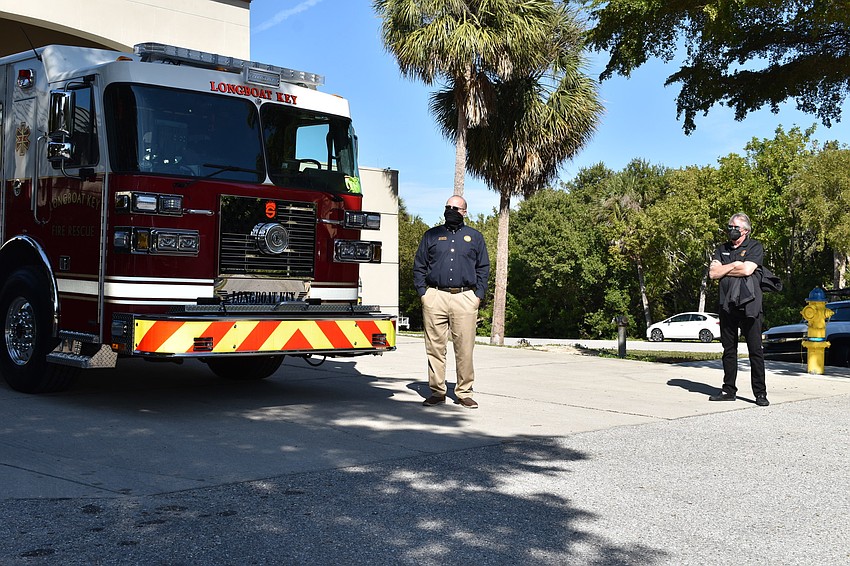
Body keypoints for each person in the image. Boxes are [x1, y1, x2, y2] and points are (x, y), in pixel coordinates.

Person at [413, 195, 490, 408]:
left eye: (456, 208)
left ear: (465, 212)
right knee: (435, 347)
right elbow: (419, 265)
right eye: (448, 207)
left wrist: (478, 295)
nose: (451, 210)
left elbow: (483, 268)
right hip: (435, 296)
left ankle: (464, 392)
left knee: (464, 348)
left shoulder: (474, 237)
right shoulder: (432, 235)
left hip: (465, 297)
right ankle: (437, 391)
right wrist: (423, 293)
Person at [708, 212, 769, 406]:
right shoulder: (721, 248)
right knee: (729, 350)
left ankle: (760, 393)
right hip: (727, 305)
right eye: (729, 227)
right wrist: (734, 264)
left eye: (735, 227)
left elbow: (747, 269)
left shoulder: (754, 246)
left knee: (755, 351)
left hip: (750, 306)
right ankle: (728, 390)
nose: (731, 230)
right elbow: (713, 273)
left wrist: (727, 267)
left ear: (745, 231)